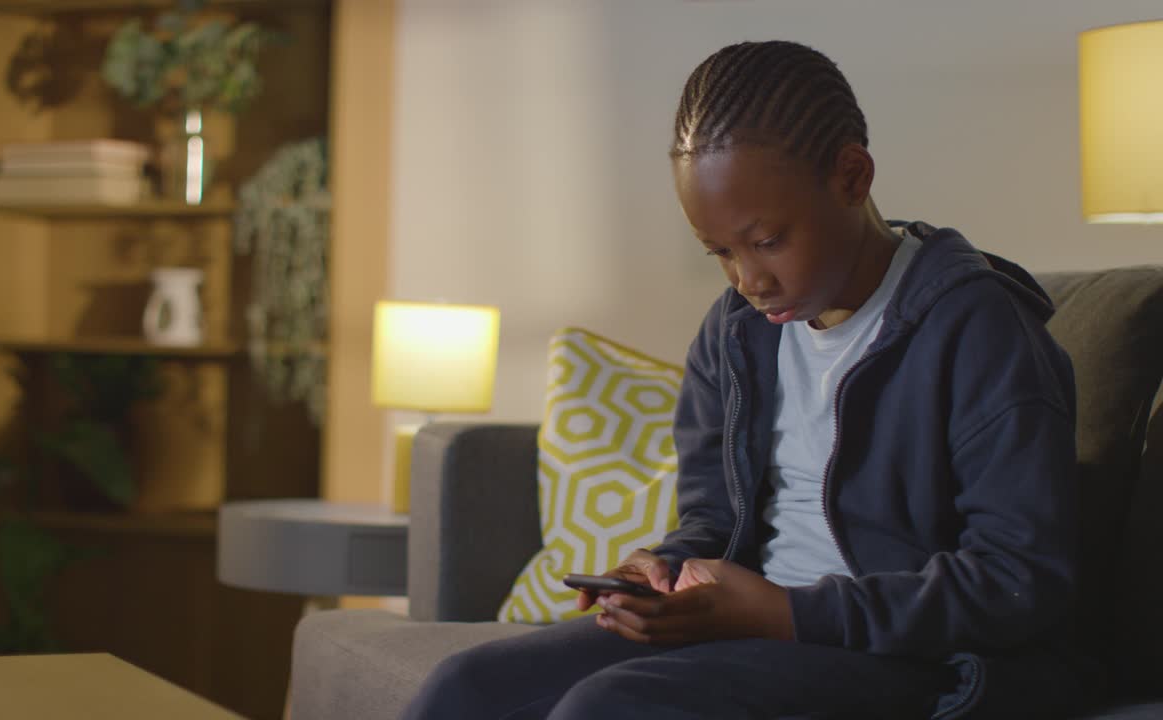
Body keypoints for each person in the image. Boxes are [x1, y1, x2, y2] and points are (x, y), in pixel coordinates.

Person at [402, 40, 1096, 719]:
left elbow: (1021, 577)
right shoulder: (736, 333)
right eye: (720, 252)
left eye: (767, 242)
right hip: (751, 627)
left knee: (613, 706)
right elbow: (714, 519)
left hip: (910, 657)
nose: (748, 280)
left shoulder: (978, 327)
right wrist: (665, 572)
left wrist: (785, 613)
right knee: (466, 686)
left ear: (853, 177)